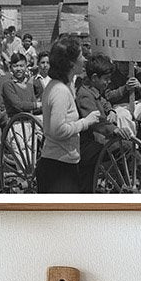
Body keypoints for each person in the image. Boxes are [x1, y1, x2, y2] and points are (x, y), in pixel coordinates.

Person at [37, 35, 102, 193]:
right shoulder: (60, 91)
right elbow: (57, 130)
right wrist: (85, 122)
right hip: (58, 169)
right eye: (80, 56)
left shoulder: (62, 86)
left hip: (63, 163)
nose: (84, 60)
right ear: (71, 63)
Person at [75, 53, 135, 192]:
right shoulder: (84, 95)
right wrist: (114, 130)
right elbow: (95, 122)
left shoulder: (94, 89)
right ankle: (124, 180)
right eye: (106, 79)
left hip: (99, 140)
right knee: (124, 146)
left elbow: (103, 101)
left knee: (126, 144)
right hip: (86, 146)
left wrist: (111, 111)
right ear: (95, 77)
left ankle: (127, 176)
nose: (108, 82)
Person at [1, 53, 41, 118]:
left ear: (26, 67)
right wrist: (36, 105)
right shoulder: (8, 84)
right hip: (15, 122)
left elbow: (34, 104)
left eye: (21, 66)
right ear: (11, 68)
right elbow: (18, 105)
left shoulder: (29, 84)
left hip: (30, 121)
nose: (18, 69)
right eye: (15, 66)